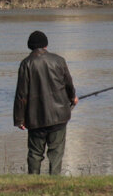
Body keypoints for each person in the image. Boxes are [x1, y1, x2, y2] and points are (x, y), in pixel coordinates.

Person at [13, 30, 77, 175]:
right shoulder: (59, 60)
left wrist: (19, 119)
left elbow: (21, 94)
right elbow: (68, 84)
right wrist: (72, 98)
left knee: (35, 153)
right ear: (46, 45)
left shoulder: (26, 64)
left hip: (35, 118)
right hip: (59, 116)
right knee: (56, 153)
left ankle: (33, 180)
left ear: (30, 46)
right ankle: (54, 181)